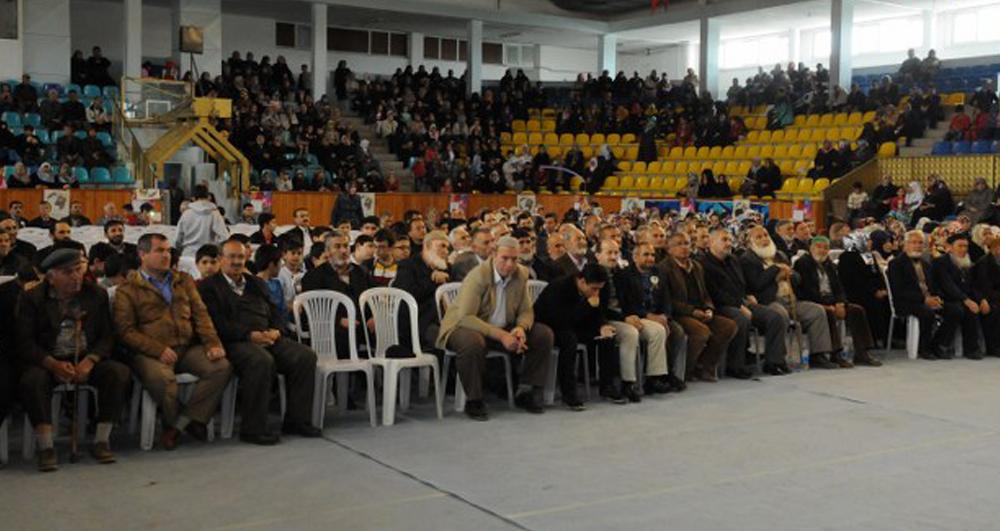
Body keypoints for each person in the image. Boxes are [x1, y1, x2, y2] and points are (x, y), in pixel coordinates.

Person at [114, 233, 233, 450]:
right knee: (162, 379)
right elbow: (126, 331)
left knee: (221, 367)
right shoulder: (128, 290)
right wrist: (158, 349)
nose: (166, 255)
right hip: (150, 352)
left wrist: (212, 343)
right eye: (159, 251)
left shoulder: (183, 281)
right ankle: (184, 423)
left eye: (168, 250)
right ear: (142, 254)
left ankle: (179, 425)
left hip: (186, 346)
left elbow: (201, 315)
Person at [16, 249, 131, 471]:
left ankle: (101, 439)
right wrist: (52, 363)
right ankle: (46, 446)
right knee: (33, 380)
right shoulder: (32, 299)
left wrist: (90, 361)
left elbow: (107, 337)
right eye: (68, 272)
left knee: (118, 373)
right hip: (48, 359)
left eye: (78, 270)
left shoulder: (96, 294)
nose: (76, 277)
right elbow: (24, 343)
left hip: (85, 357)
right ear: (51, 277)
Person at [198, 239, 321, 443]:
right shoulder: (209, 287)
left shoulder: (256, 283)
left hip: (268, 336)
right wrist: (249, 335)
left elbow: (276, 312)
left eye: (241, 257)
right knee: (261, 361)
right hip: (235, 341)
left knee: (305, 356)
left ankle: (297, 420)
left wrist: (277, 331)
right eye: (232, 257)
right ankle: (253, 428)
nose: (237, 262)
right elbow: (216, 323)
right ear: (220, 259)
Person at [436, 236, 554, 421]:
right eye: (505, 258)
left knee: (542, 334)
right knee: (473, 342)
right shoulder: (478, 276)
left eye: (514, 259)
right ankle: (474, 399)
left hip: (501, 327)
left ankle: (527, 391)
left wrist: (521, 328)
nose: (510, 264)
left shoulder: (521, 274)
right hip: (464, 327)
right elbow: (466, 317)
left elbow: (526, 310)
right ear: (493, 255)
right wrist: (502, 336)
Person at [741, 225, 841, 369]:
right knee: (780, 315)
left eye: (765, 235)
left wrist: (790, 275)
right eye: (759, 237)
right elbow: (756, 284)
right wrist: (775, 271)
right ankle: (777, 360)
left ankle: (818, 355)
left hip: (791, 299)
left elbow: (798, 279)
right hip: (768, 301)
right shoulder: (748, 259)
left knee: (817, 311)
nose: (764, 239)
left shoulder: (779, 255)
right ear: (750, 242)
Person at [700, 228, 792, 376]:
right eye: (724, 240)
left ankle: (774, 362)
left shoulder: (733, 260)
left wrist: (748, 295)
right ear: (711, 242)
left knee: (775, 317)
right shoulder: (704, 264)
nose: (729, 243)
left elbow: (742, 283)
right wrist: (739, 305)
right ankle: (736, 365)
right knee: (741, 318)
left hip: (742, 301)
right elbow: (715, 294)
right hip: (721, 306)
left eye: (730, 240)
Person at [534, 263, 615, 410]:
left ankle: (607, 386)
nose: (597, 293)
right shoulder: (559, 287)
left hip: (576, 324)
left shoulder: (596, 289)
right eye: (594, 289)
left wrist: (603, 325)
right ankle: (569, 393)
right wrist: (588, 306)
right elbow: (561, 320)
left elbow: (599, 311)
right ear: (582, 281)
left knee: (607, 336)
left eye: (599, 289)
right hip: (551, 327)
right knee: (569, 340)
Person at [658, 232, 737, 382]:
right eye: (679, 244)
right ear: (669, 249)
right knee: (701, 331)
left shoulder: (697, 266)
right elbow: (668, 301)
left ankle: (705, 365)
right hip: (680, 313)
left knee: (728, 326)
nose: (684, 247)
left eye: (687, 243)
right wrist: (692, 311)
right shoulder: (664, 269)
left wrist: (709, 309)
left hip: (700, 310)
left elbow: (705, 294)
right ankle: (686, 370)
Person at [794, 236, 881, 366]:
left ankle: (862, 352)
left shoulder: (829, 265)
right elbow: (806, 291)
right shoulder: (803, 263)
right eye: (819, 247)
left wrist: (840, 302)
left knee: (856, 310)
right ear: (811, 248)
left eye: (825, 248)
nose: (822, 251)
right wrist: (826, 305)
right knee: (827, 313)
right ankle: (835, 353)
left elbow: (839, 288)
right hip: (813, 301)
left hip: (832, 300)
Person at [887, 230, 961, 360]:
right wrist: (924, 299)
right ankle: (924, 348)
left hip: (927, 299)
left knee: (956, 310)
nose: (917, 246)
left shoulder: (926, 264)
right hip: (907, 302)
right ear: (905, 244)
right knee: (927, 313)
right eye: (913, 242)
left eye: (920, 243)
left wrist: (936, 296)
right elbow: (899, 290)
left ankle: (938, 345)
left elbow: (932, 286)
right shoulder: (896, 264)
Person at [393, 230, 451, 349]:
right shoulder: (408, 266)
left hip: (444, 321)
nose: (446, 251)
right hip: (418, 323)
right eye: (442, 246)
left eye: (447, 247)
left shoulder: (446, 268)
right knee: (453, 341)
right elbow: (408, 295)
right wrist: (432, 280)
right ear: (427, 246)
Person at [930, 233, 984, 359]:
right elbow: (947, 285)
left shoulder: (968, 264)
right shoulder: (940, 262)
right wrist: (966, 300)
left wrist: (981, 300)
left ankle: (972, 348)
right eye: (960, 246)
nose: (964, 249)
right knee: (956, 310)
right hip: (942, 298)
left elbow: (972, 287)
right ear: (949, 247)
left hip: (960, 299)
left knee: (972, 309)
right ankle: (939, 345)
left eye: (965, 246)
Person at [174, 185, 229, 256]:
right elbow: (224, 237)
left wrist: (180, 251)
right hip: (207, 257)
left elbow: (177, 239)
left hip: (188, 255)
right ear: (208, 196)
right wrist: (215, 248)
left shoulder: (186, 214)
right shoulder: (214, 214)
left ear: (193, 198)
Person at [973, 236, 1000, 357]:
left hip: (995, 296)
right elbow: (983, 286)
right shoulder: (984, 263)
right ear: (995, 249)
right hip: (983, 297)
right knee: (994, 311)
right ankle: (993, 347)